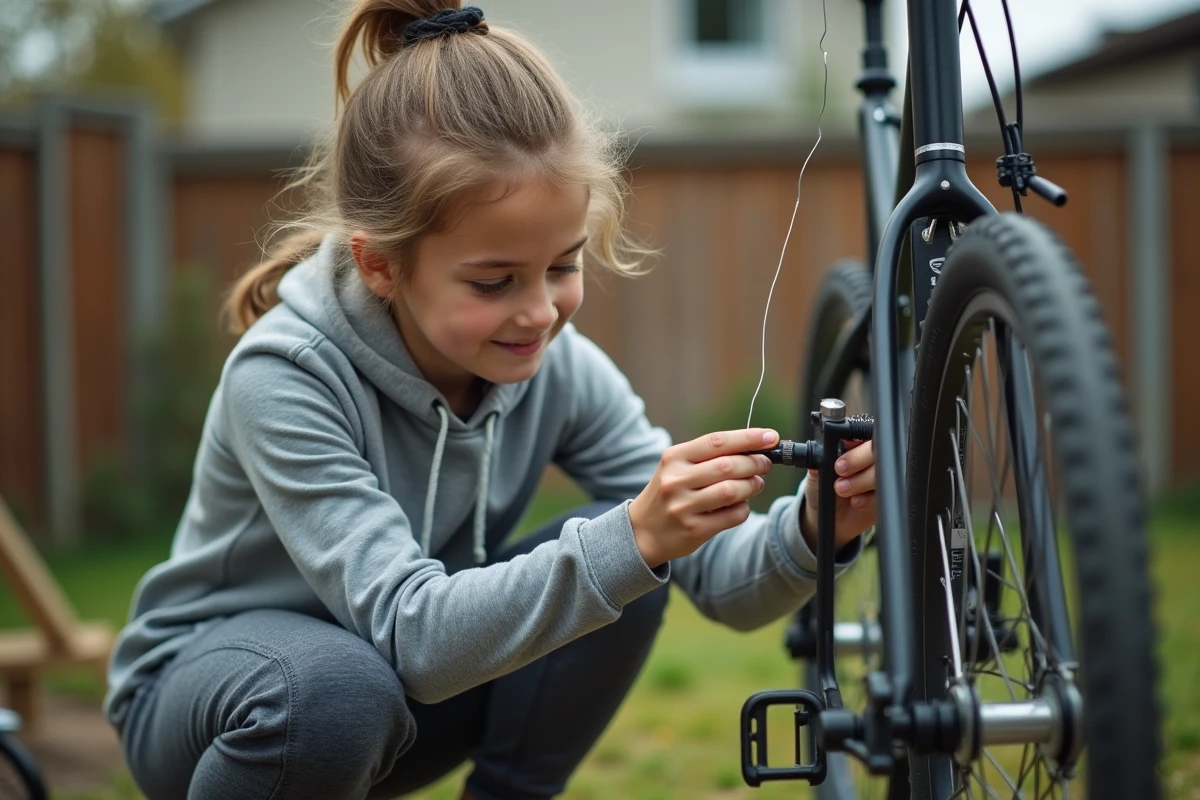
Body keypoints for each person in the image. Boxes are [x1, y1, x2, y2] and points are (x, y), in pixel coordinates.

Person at [104, 3, 878, 798]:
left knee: (621, 564)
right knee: (338, 690)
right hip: (228, 705)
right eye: (493, 281)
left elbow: (722, 582)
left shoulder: (557, 368)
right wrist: (635, 534)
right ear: (381, 266)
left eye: (563, 266)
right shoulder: (287, 376)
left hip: (395, 693)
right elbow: (412, 637)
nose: (540, 313)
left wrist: (818, 523)